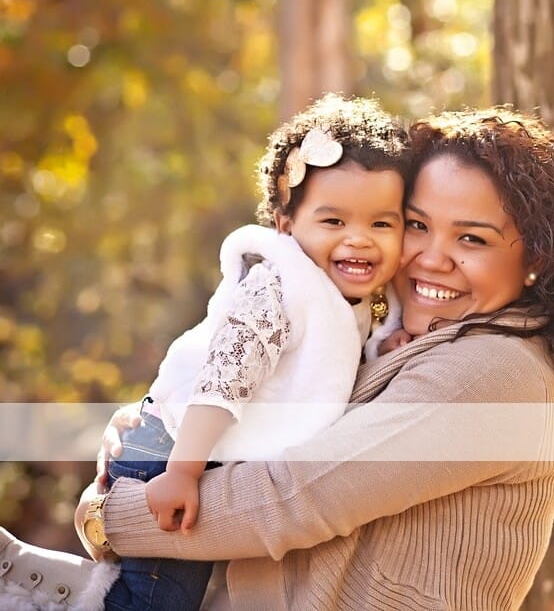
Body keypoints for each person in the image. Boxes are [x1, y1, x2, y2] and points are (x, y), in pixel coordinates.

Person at [2, 106, 554, 611]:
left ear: (534, 260)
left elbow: (291, 499)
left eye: (471, 238)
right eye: (416, 225)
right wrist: (158, 429)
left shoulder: (490, 374)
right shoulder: (393, 339)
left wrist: (108, 511)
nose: (429, 258)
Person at [0, 93, 409, 611]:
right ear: (285, 225)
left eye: (381, 224)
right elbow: (223, 380)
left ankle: (35, 577)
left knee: (151, 595)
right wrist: (184, 471)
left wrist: (388, 343)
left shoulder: (356, 299)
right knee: (158, 600)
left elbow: (346, 351)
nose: (360, 240)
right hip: (173, 448)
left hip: (195, 455)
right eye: (334, 222)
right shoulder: (278, 287)